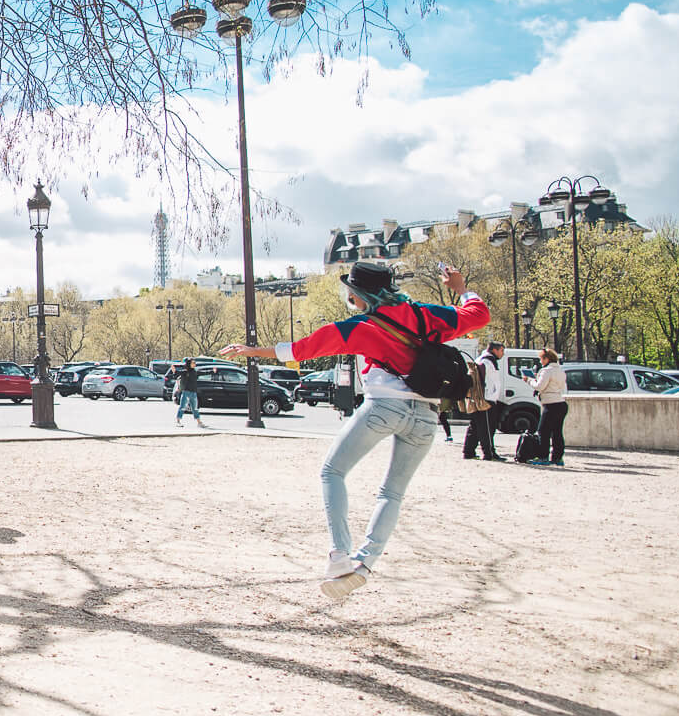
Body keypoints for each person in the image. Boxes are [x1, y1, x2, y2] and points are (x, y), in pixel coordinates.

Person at [223, 258, 488, 603]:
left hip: (384, 405)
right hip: (426, 414)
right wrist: (462, 288)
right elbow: (478, 315)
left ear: (359, 295)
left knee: (333, 471)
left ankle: (339, 555)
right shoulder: (427, 315)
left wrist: (253, 351)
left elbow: (302, 349)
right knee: (392, 493)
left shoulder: (361, 327)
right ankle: (364, 566)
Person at [463, 340, 506, 462]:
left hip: (481, 397)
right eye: (501, 350)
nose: (502, 353)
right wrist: (491, 395)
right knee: (487, 427)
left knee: (476, 426)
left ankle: (469, 451)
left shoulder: (482, 360)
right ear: (494, 350)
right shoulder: (487, 361)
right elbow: (488, 381)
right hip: (486, 398)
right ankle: (489, 453)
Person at [526, 347, 569, 467]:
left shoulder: (546, 371)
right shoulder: (560, 371)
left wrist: (529, 380)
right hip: (560, 403)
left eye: (541, 359)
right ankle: (557, 457)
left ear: (546, 359)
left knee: (543, 431)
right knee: (557, 432)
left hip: (550, 404)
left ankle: (543, 456)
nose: (540, 361)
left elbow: (539, 386)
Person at [173, 357, 204, 427]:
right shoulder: (185, 371)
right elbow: (176, 374)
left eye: (195, 363)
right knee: (182, 407)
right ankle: (178, 421)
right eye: (193, 363)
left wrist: (212, 371)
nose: (194, 364)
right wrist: (174, 371)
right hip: (186, 392)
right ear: (189, 364)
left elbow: (203, 373)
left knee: (195, 408)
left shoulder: (194, 372)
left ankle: (199, 422)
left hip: (193, 393)